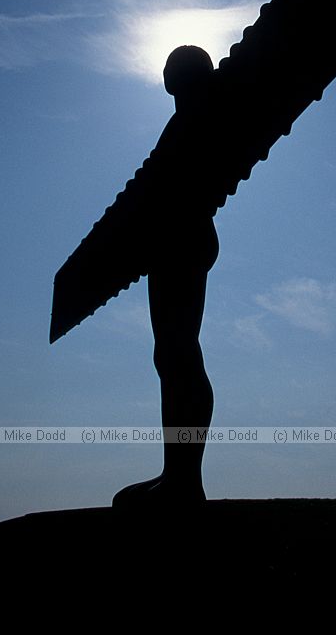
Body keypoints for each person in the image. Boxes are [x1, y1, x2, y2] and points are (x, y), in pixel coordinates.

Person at [112, 45, 219, 508]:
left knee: (180, 352)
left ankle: (185, 479)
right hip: (172, 242)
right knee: (170, 354)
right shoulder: (181, 125)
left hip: (185, 239)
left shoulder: (201, 119)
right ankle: (177, 471)